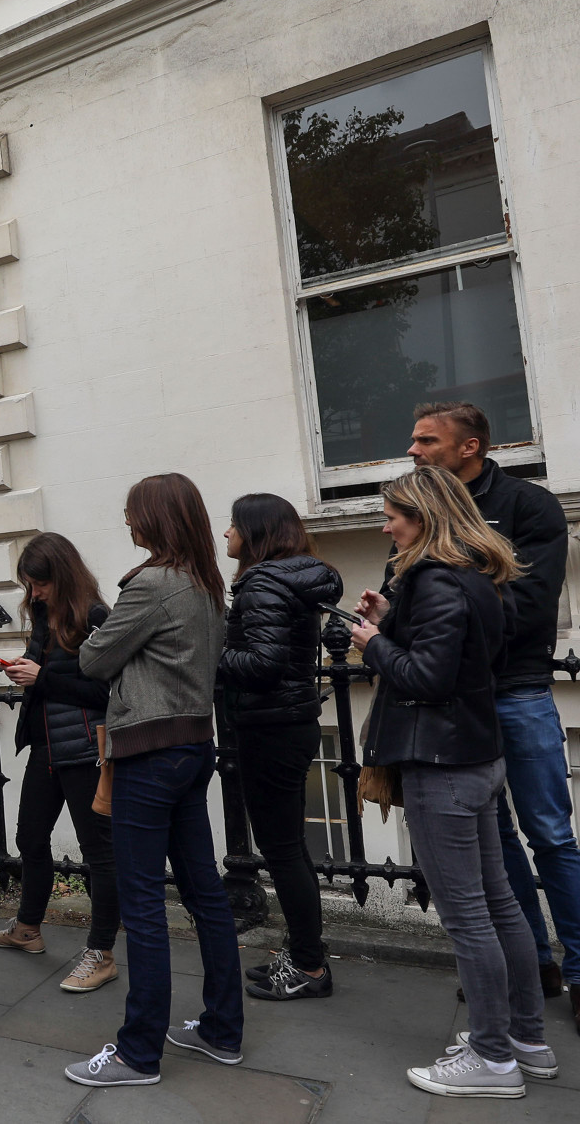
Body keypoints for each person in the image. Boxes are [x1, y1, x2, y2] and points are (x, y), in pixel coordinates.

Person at [354, 466, 549, 1097]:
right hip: (476, 757)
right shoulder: (477, 575)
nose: (386, 527)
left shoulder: (437, 578)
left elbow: (430, 678)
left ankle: (493, 1060)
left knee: (468, 917)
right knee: (500, 906)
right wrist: (392, 619)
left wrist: (373, 644)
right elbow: (462, 656)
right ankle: (526, 1039)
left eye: (394, 516)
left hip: (444, 768)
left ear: (426, 517)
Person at [65, 473, 238, 1089]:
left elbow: (92, 658)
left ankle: (138, 1052)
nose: (128, 524)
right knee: (205, 894)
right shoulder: (208, 585)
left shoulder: (155, 585)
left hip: (148, 752)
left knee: (141, 905)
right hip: (193, 745)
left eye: (135, 514)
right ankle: (223, 1029)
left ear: (158, 521)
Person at [407, 403, 578, 1025]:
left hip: (516, 691)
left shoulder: (528, 506)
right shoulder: (427, 508)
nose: (414, 450)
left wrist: (450, 628)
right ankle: (530, 964)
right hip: (459, 701)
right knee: (495, 843)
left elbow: (530, 606)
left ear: (470, 447)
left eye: (427, 440)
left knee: (551, 837)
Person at [215, 494, 342, 1002]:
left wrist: (214, 655)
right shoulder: (293, 577)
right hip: (289, 722)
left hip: (270, 726)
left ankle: (310, 967)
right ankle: (305, 953)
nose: (226, 534)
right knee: (289, 848)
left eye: (233, 525)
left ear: (256, 531)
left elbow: (264, 664)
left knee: (283, 850)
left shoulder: (264, 581)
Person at [0, 533, 119, 993]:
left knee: (99, 854)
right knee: (29, 838)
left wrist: (42, 677)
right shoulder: (44, 614)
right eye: (30, 584)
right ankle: (27, 929)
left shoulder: (95, 616)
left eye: (40, 583)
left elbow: (106, 694)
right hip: (45, 746)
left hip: (84, 749)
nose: (34, 592)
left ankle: (100, 954)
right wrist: (22, 667)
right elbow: (50, 677)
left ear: (61, 576)